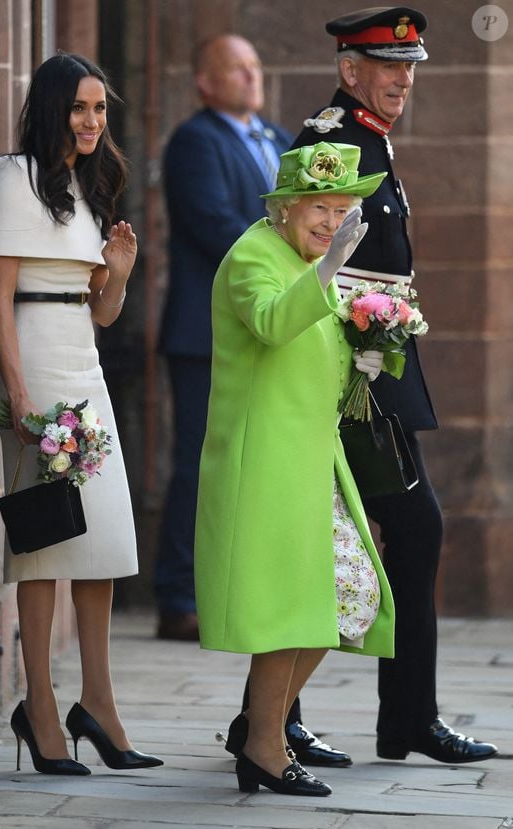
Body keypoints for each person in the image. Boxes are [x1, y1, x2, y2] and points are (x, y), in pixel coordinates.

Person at [227, 6, 498, 766]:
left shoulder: (367, 138)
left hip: (377, 364)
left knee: (388, 535)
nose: (403, 79)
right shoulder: (330, 140)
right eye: (389, 66)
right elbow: (306, 255)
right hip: (349, 372)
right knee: (396, 532)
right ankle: (366, 719)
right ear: (351, 71)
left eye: (410, 66)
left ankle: (301, 719)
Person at [0, 53, 163, 775]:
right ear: (54, 107)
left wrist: (116, 272)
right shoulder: (12, 177)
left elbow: (102, 313)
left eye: (101, 110)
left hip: (83, 364)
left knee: (106, 539)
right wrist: (17, 393)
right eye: (81, 108)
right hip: (33, 363)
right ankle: (42, 708)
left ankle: (101, 704)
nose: (92, 122)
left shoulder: (93, 189)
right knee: (44, 540)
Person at [195, 140, 394, 797]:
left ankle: (261, 728)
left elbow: (326, 355)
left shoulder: (309, 258)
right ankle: (264, 744)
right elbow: (273, 323)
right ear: (282, 208)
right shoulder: (255, 253)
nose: (329, 222)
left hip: (312, 460)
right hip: (266, 465)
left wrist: (374, 347)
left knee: (350, 598)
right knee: (292, 606)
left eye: (341, 211)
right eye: (318, 207)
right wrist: (329, 273)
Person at [155, 34, 293, 641]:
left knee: (254, 466)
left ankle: (238, 591)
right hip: (204, 334)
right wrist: (292, 269)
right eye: (235, 68)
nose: (249, 75)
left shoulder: (282, 141)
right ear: (205, 83)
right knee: (198, 465)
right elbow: (215, 224)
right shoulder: (194, 141)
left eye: (255, 65)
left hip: (267, 331)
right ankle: (178, 596)